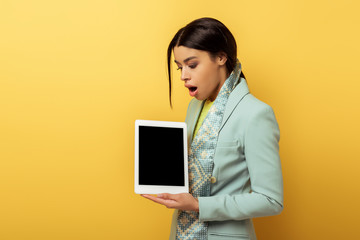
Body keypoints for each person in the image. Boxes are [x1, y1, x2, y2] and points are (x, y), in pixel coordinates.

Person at [142, 17, 283, 240]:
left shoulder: (256, 114)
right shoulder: (194, 107)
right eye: (180, 67)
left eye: (192, 65)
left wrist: (199, 205)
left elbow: (270, 200)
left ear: (220, 57)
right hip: (181, 233)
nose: (183, 76)